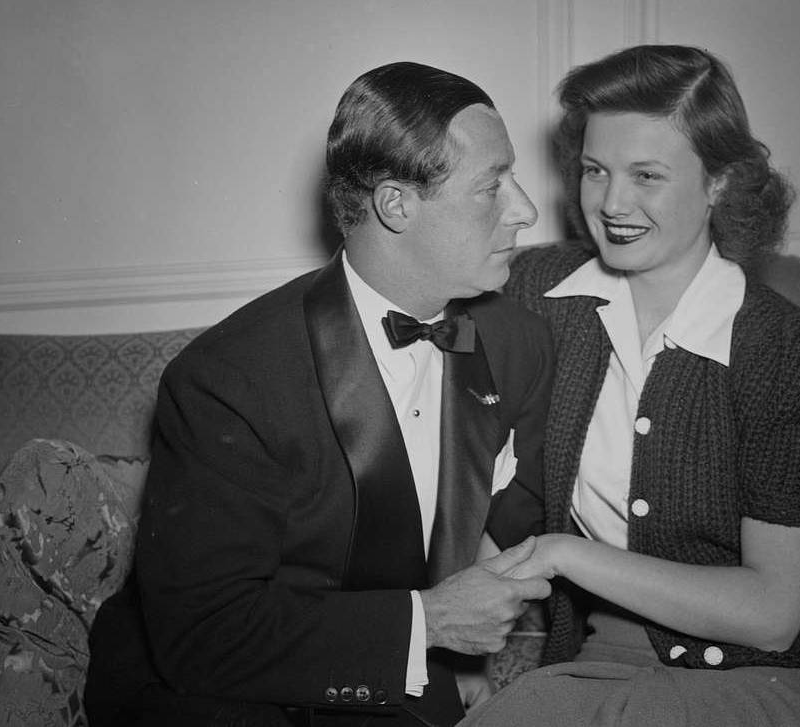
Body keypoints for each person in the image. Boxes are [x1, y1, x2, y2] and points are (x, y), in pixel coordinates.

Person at [84, 61, 555, 727]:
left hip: (406, 684)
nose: (526, 209)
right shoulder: (228, 378)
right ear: (396, 205)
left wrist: (460, 652)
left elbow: (509, 519)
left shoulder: (519, 343)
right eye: (491, 186)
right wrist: (430, 625)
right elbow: (202, 632)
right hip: (227, 695)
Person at [460, 45, 800, 726]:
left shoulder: (793, 354)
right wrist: (463, 650)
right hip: (615, 656)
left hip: (791, 673)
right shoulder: (538, 294)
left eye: (647, 175)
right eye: (595, 170)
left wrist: (562, 553)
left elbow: (772, 615)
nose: (611, 203)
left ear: (720, 181)